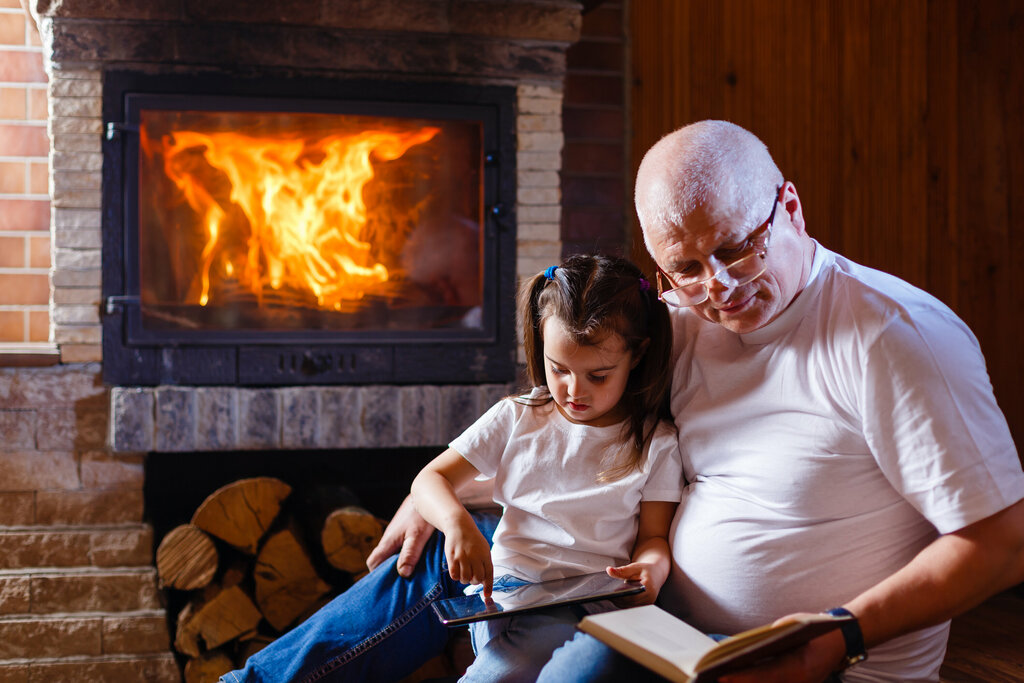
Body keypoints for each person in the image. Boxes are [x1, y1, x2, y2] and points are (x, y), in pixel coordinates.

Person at [223, 120, 1024, 683]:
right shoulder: (675, 323)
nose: (720, 287)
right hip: (648, 604)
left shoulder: (891, 337)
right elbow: (571, 405)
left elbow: (1001, 541)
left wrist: (836, 635)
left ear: (790, 207)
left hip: (802, 661)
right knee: (459, 540)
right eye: (687, 267)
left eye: (739, 246)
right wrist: (435, 491)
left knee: (583, 660)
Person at [410, 254, 682, 681]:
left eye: (598, 376)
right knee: (519, 661)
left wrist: (652, 569)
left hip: (599, 600)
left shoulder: (656, 441)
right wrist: (456, 523)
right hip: (516, 592)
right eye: (559, 369)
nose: (574, 391)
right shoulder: (519, 416)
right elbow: (430, 478)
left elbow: (653, 537)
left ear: (637, 354)